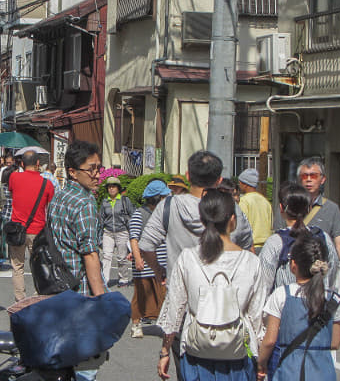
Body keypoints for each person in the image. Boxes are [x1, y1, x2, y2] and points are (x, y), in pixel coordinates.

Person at [139, 150, 254, 378]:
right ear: (219, 180)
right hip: (228, 305)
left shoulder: (169, 206)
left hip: (184, 305)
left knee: (188, 367)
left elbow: (146, 244)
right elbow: (247, 248)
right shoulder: (231, 209)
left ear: (187, 175)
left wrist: (160, 271)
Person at [157, 189, 266, 381]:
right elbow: (257, 317)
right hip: (238, 353)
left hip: (196, 352)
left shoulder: (188, 258)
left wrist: (165, 351)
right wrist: (262, 360)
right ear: (233, 220)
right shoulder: (251, 262)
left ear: (203, 220)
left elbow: (175, 308)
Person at [47, 140, 105, 381]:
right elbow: (90, 254)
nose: (97, 175)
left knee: (62, 360)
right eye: (91, 169)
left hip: (57, 288)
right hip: (79, 292)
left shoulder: (59, 197)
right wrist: (101, 299)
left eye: (99, 168)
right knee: (85, 365)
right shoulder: (84, 202)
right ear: (72, 171)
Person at [257, 234, 340, 381]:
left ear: (293, 265)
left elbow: (270, 340)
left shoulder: (282, 294)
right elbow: (335, 342)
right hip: (323, 372)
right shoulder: (333, 299)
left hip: (289, 371)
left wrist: (261, 363)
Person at [258, 182, 340, 295]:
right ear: (309, 209)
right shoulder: (323, 237)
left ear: (281, 208)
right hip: (319, 306)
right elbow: (333, 276)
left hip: (286, 308)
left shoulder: (276, 242)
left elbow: (263, 285)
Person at [8, 150, 55, 301]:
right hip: (38, 230)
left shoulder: (14, 177)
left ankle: (20, 299)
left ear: (22, 164)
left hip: (17, 230)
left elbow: (11, 192)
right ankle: (37, 296)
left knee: (17, 266)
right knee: (38, 265)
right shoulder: (46, 183)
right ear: (38, 164)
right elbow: (50, 205)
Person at [128, 180, 169, 338]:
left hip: (162, 262)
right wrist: (138, 258)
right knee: (141, 294)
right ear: (156, 198)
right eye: (164, 196)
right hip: (144, 264)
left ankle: (165, 325)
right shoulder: (140, 214)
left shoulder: (164, 213)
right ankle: (136, 324)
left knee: (163, 293)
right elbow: (134, 238)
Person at [98, 177, 133, 287]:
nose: (111, 189)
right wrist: (99, 235)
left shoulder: (124, 200)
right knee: (106, 256)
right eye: (109, 187)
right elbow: (101, 219)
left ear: (118, 188)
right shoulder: (105, 202)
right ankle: (104, 280)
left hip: (122, 231)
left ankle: (123, 279)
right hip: (108, 232)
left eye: (113, 186)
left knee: (122, 257)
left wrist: (132, 233)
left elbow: (132, 215)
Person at [238, 168, 273, 254]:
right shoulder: (265, 201)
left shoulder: (244, 201)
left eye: (240, 183)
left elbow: (241, 226)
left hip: (251, 247)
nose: (239, 185)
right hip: (267, 247)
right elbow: (271, 224)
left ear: (245, 184)